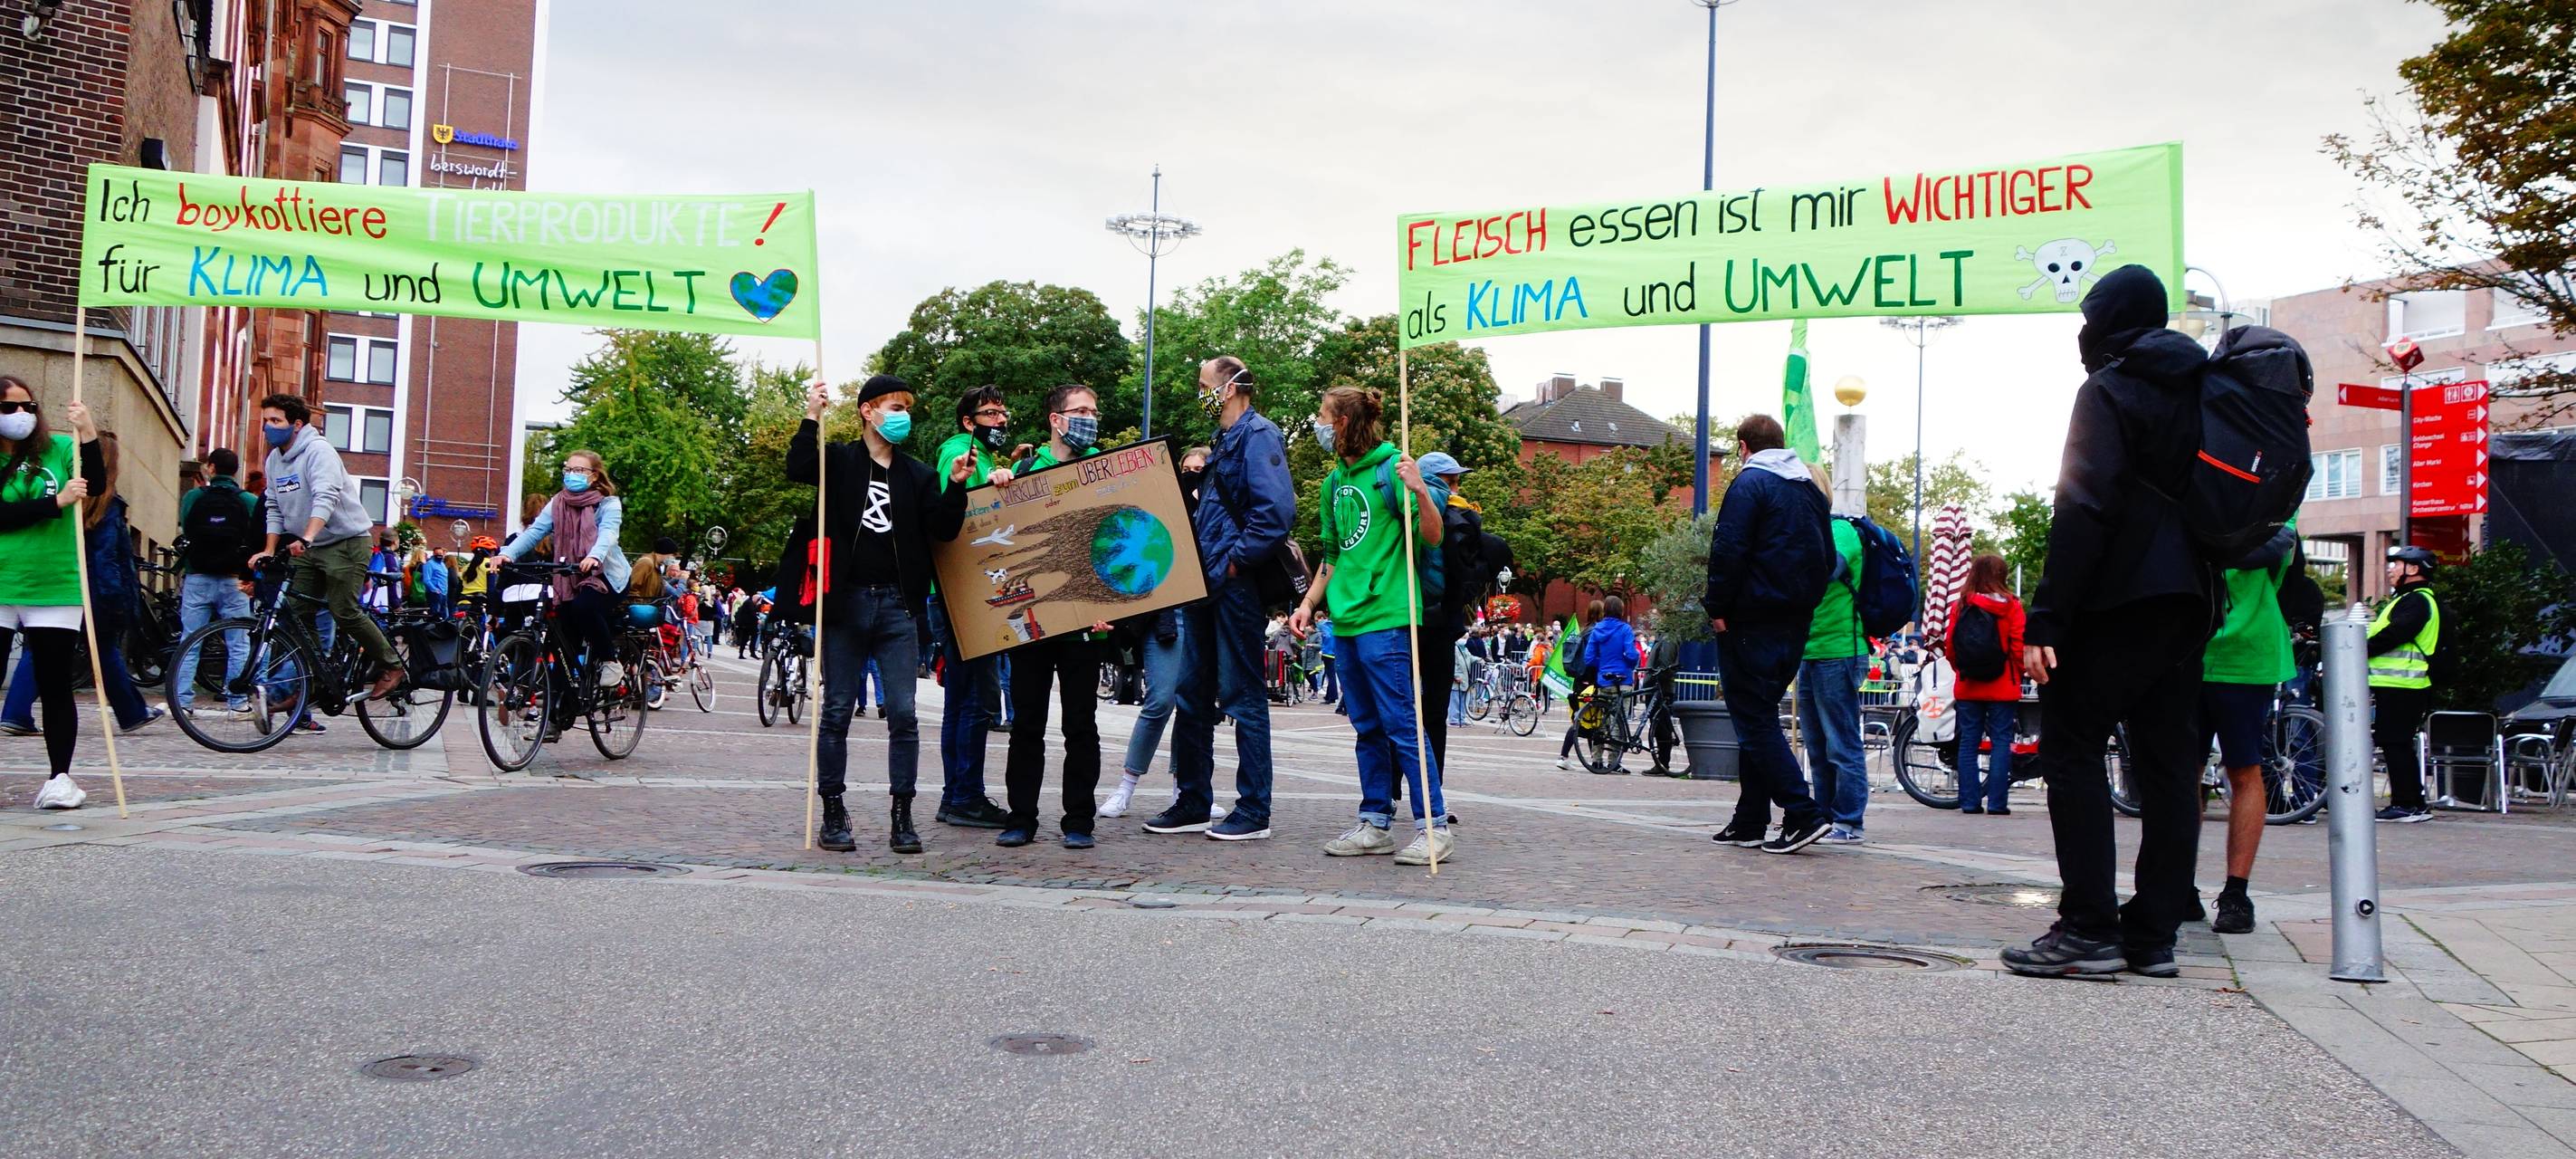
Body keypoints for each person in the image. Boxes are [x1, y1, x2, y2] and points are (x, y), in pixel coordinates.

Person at [2006, 264, 2214, 981]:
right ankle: (2154, 935)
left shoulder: (2108, 388)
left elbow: (2084, 505)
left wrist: (2046, 620)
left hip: (2116, 600)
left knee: (2070, 747)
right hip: (2190, 602)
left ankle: (2090, 926)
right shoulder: (2203, 386)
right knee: (2167, 767)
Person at [785, 374, 974, 854]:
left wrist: (955, 488)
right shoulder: (843, 462)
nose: (902, 416)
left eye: (906, 407)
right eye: (893, 407)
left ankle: (902, 814)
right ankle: (833, 811)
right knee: (836, 711)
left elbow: (946, 530)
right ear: (868, 411)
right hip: (845, 603)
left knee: (905, 715)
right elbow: (799, 465)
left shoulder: (917, 474)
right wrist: (812, 414)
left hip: (897, 606)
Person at [1291, 385, 1452, 865]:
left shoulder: (1393, 469)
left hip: (1388, 617)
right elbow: (1332, 557)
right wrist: (1308, 604)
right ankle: (1376, 822)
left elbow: (1433, 536)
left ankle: (1433, 827)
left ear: (1341, 422)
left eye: (1322, 415)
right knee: (1366, 727)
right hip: (1345, 622)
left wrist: (1421, 489)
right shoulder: (1332, 482)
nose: (1318, 424)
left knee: (1403, 724)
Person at [1150, 356, 1294, 841]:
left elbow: (1275, 513)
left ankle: (1254, 809)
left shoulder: (1259, 436)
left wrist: (1233, 563)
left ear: (1229, 388)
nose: (1200, 392)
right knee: (1191, 694)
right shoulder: (1225, 440)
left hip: (1231, 585)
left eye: (1203, 384)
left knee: (1242, 694)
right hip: (1206, 583)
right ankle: (1194, 800)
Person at [1703, 415, 1837, 855]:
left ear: (1743, 446)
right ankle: (1751, 819)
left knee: (1754, 720)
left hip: (1751, 618)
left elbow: (1729, 549)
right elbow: (1827, 557)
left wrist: (1719, 608)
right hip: (1794, 621)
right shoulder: (1808, 490)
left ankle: (1803, 813)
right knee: (1758, 716)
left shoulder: (1750, 484)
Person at [995, 383, 1111, 848]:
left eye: (1094, 411)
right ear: (1056, 419)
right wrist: (997, 487)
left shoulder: (1107, 469)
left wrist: (1115, 610)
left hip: (1087, 623)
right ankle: (1021, 816)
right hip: (1034, 619)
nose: (1090, 418)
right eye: (1080, 410)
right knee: (1027, 723)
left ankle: (1079, 820)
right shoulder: (1025, 470)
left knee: (1081, 724)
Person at [252, 394, 404, 699]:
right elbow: (273, 507)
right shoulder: (274, 460)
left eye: (275, 421)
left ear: (296, 424)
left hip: (345, 541)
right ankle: (313, 680)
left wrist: (307, 536)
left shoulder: (318, 452)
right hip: (309, 546)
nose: (268, 427)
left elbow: (326, 496)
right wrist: (269, 549)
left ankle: (392, 664)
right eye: (265, 420)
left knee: (343, 610)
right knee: (296, 611)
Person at [0, 378, 105, 808]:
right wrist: (55, 503)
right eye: (10, 408)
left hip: (54, 581)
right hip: (3, 580)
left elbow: (94, 481)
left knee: (55, 681)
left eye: (29, 406)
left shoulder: (59, 448)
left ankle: (60, 778)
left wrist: (89, 430)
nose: (22, 415)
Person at [1102, 445, 1212, 820]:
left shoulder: (1218, 513)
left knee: (1193, 707)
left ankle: (1190, 791)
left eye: (1202, 470)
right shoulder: (1161, 510)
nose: (1194, 475)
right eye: (1188, 470)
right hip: (1167, 616)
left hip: (1202, 615)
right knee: (1161, 699)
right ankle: (1126, 786)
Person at [925, 384, 1016, 829]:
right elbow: (953, 516)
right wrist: (988, 481)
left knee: (964, 700)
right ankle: (965, 796)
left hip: (961, 593)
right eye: (990, 413)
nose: (999, 420)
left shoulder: (976, 454)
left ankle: (956, 795)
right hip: (960, 594)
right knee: (975, 701)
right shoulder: (960, 453)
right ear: (968, 421)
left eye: (1002, 412)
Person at [498, 448, 633, 743]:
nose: (572, 475)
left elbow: (608, 536)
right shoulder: (557, 503)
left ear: (594, 475)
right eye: (568, 469)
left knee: (584, 607)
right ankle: (555, 720)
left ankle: (610, 661)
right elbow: (534, 533)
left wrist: (594, 557)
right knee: (562, 643)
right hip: (570, 575)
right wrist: (507, 554)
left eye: (579, 470)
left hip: (607, 576)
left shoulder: (608, 504)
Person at [2205, 523, 2299, 934]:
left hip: (2246, 656)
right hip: (2188, 649)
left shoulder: (2276, 496)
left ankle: (2236, 893)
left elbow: (2276, 545)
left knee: (2244, 768)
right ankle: (2173, 886)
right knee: (2178, 773)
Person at [169, 446, 262, 719]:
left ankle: (182, 701)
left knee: (190, 640)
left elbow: (187, 528)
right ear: (235, 471)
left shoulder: (194, 497)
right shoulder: (248, 501)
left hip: (198, 575)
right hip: (235, 580)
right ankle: (237, 701)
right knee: (238, 641)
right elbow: (255, 537)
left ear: (210, 467)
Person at [1946, 553, 2027, 817]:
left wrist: (1962, 669)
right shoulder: (2012, 605)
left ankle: (1969, 802)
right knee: (2001, 741)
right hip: (2003, 683)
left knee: (1969, 740)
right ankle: (1997, 803)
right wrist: (2020, 670)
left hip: (1969, 683)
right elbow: (2018, 645)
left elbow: (1951, 646)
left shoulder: (1961, 605)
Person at [2371, 544, 2443, 824]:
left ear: (2412, 569)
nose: (2390, 569)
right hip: (2399, 684)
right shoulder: (2409, 599)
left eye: (2396, 564)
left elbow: (2394, 635)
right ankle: (2414, 803)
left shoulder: (2416, 600)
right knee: (2396, 742)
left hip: (2403, 685)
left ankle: (2406, 804)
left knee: (2395, 742)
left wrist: (2354, 649)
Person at [1578, 596, 1640, 771]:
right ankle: (1614, 762)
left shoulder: (1597, 629)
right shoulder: (1625, 629)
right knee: (1618, 722)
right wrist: (1629, 664)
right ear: (1620, 610)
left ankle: (1596, 759)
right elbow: (1632, 654)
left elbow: (1589, 658)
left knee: (1600, 721)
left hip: (1603, 680)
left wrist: (1603, 665)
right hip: (1623, 680)